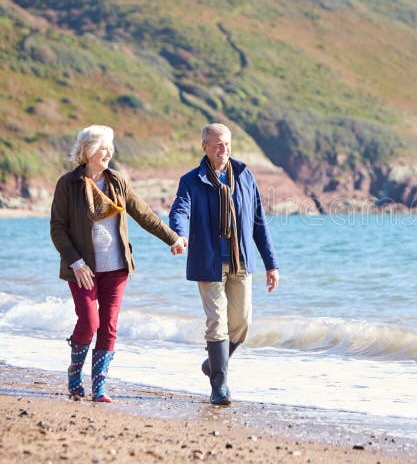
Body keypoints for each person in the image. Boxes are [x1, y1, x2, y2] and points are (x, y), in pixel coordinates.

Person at [50, 125, 185, 402]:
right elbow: (57, 228)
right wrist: (76, 263)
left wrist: (172, 238)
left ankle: (99, 387)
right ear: (88, 152)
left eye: (110, 146)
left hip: (116, 268)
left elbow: (144, 214)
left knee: (109, 325)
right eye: (103, 147)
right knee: (89, 322)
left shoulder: (117, 181)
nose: (108, 152)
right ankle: (75, 374)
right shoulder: (68, 184)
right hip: (82, 269)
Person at [169, 123, 279, 406]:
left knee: (241, 323)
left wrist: (271, 263)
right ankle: (219, 386)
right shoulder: (192, 180)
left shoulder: (244, 175)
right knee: (217, 322)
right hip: (209, 262)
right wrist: (179, 234)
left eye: (227, 144)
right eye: (217, 144)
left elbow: (258, 221)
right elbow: (180, 208)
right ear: (204, 147)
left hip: (240, 261)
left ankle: (213, 364)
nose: (223, 149)